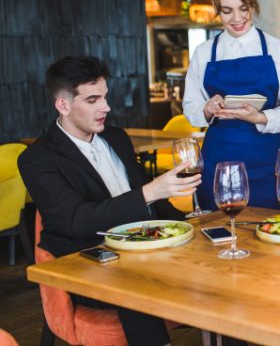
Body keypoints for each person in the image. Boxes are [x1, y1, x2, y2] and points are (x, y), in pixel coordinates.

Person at [18, 56, 199, 346]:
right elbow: (76, 221)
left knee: (220, 270)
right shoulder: (37, 159)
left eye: (105, 97)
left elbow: (154, 204)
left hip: (146, 248)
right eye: (93, 100)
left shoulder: (116, 137)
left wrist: (190, 226)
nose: (107, 107)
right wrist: (151, 191)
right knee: (133, 284)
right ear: (63, 105)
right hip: (89, 259)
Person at [183, 0, 280, 210]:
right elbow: (190, 106)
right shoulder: (204, 52)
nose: (237, 18)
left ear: (253, 3)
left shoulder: (276, 49)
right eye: (227, 11)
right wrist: (206, 109)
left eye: (243, 8)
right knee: (218, 234)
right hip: (218, 160)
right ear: (216, 8)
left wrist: (260, 117)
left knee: (267, 232)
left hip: (266, 160)